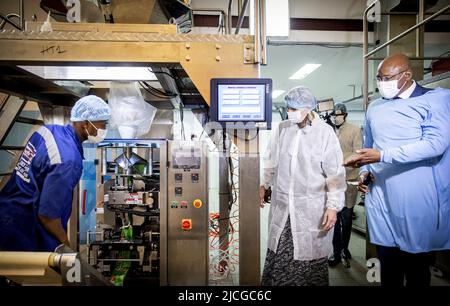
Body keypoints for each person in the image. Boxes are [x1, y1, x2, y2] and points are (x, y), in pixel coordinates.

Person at [345, 53, 450, 286]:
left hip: (416, 196)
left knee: (416, 266)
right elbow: (370, 147)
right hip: (382, 196)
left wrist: (384, 155)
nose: (382, 83)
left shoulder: (436, 100)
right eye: (379, 78)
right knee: (388, 265)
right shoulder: (375, 107)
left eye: (387, 78)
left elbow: (435, 144)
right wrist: (365, 172)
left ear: (407, 75)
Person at [259, 86, 346, 286]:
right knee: (279, 256)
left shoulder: (324, 133)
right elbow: (270, 161)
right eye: (288, 108)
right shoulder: (282, 128)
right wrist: (264, 184)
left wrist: (333, 207)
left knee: (308, 259)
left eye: (293, 108)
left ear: (307, 109)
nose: (290, 111)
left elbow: (335, 175)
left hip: (311, 210)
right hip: (283, 207)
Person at [0, 95, 110, 252]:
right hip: (24, 229)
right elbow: (48, 216)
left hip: (8, 210)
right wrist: (65, 244)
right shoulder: (68, 162)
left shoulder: (48, 130)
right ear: (85, 123)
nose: (103, 130)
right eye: (103, 125)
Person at [328, 103, 362, 267]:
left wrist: (343, 163)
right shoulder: (327, 130)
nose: (336, 117)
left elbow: (358, 152)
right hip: (332, 180)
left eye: (339, 114)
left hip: (349, 179)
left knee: (346, 218)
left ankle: (345, 248)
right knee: (334, 217)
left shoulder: (354, 130)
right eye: (334, 114)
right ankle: (335, 251)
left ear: (345, 115)